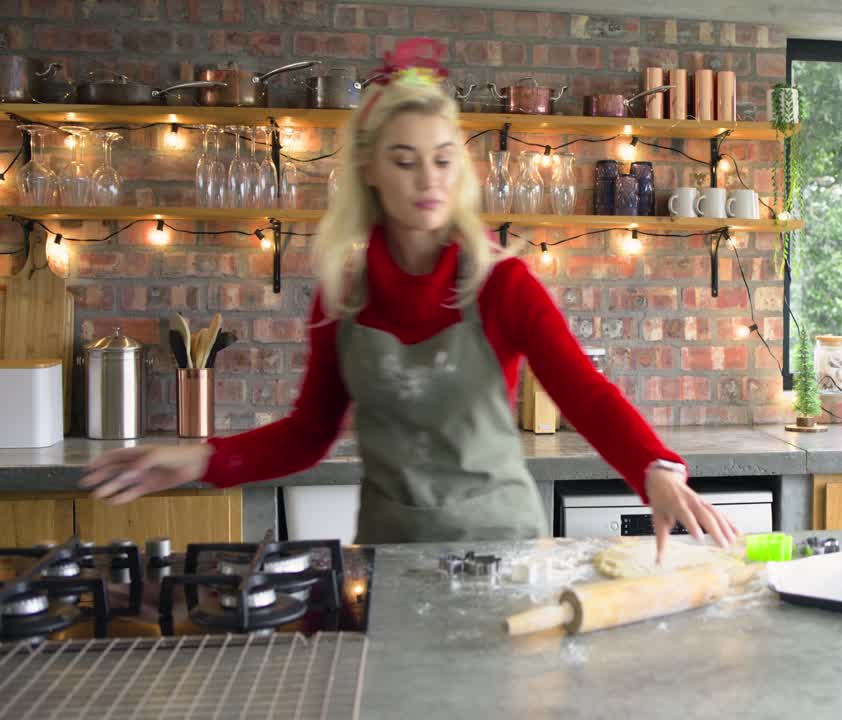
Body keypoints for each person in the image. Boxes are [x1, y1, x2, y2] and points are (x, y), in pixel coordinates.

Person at [80, 38, 739, 561]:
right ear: (369, 169)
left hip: (502, 547)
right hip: (391, 554)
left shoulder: (503, 284)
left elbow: (585, 392)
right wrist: (202, 458)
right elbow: (310, 435)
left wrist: (655, 467)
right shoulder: (342, 294)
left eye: (444, 158)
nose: (429, 180)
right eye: (404, 160)